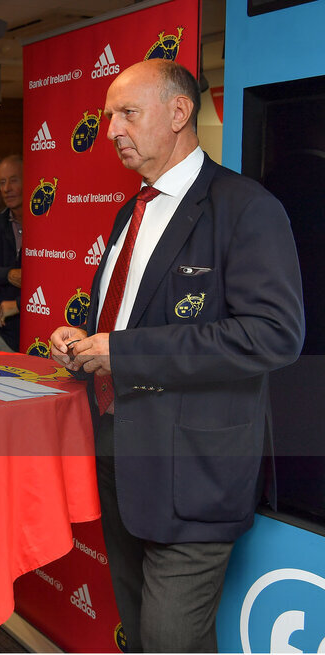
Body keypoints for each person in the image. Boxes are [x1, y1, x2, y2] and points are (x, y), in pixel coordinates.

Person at [49, 59, 304, 653]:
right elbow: (123, 321)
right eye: (109, 115)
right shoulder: (129, 210)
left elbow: (273, 335)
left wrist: (124, 351)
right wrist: (80, 340)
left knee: (170, 642)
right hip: (117, 451)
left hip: (194, 470)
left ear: (179, 112)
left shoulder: (245, 207)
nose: (111, 129)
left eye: (127, 113)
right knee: (139, 635)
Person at [0, 155, 24, 352]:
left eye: (13, 180)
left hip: (46, 328)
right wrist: (8, 274)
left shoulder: (49, 225)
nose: (6, 188)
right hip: (5, 333)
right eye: (2, 182)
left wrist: (19, 303)